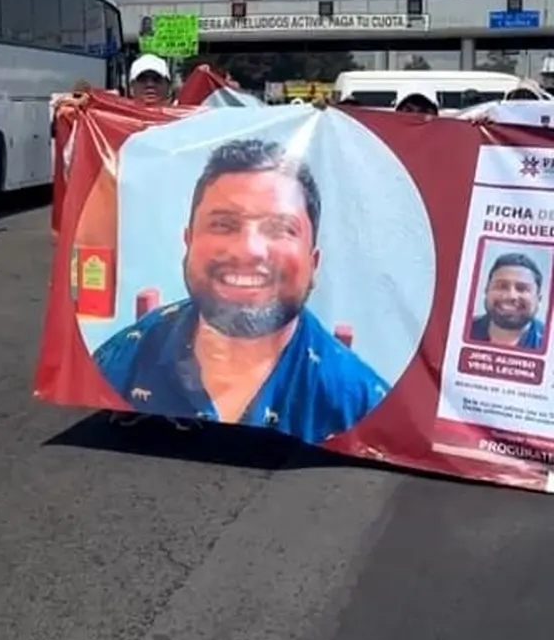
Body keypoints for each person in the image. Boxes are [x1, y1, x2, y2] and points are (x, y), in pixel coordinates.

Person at [92, 137, 389, 444]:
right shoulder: (120, 359)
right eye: (223, 224)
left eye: (280, 228)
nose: (249, 250)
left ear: (313, 262)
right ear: (188, 242)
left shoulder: (362, 402)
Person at [469, 253, 546, 351]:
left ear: (538, 299)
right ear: (487, 291)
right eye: (501, 286)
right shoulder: (459, 330)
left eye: (522, 288)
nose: (511, 296)